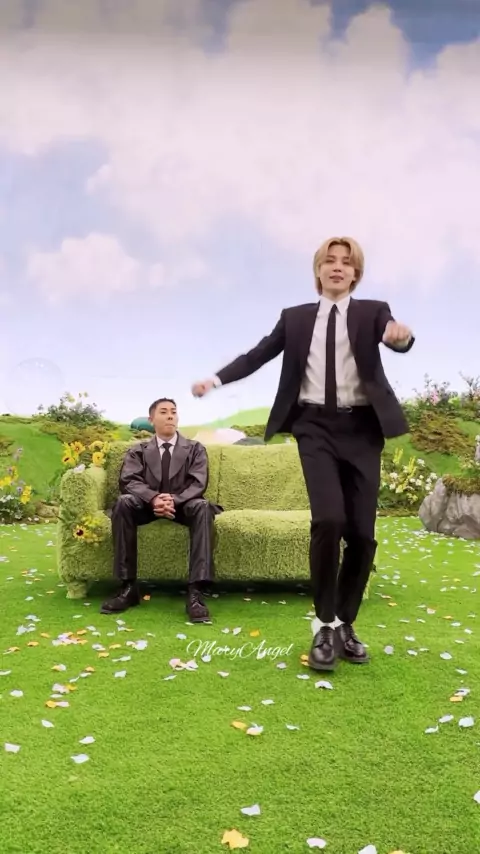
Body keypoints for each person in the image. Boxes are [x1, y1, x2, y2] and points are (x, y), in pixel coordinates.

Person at [191, 237, 414, 670]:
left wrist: (399, 338)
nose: (337, 267)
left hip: (362, 430)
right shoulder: (294, 319)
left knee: (362, 535)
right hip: (314, 428)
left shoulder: (373, 312)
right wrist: (214, 381)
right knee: (328, 520)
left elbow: (395, 336)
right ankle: (324, 624)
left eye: (346, 262)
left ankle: (346, 622)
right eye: (329, 261)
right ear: (318, 271)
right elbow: (257, 355)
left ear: (355, 274)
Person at [100, 397, 222, 622]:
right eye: (164, 412)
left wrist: (173, 500)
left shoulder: (195, 449)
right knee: (123, 503)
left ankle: (196, 592)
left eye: (173, 412)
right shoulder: (138, 451)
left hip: (184, 505)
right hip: (146, 505)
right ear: (151, 419)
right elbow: (129, 481)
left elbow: (198, 483)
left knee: (203, 507)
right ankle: (128, 588)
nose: (170, 416)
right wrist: (154, 498)